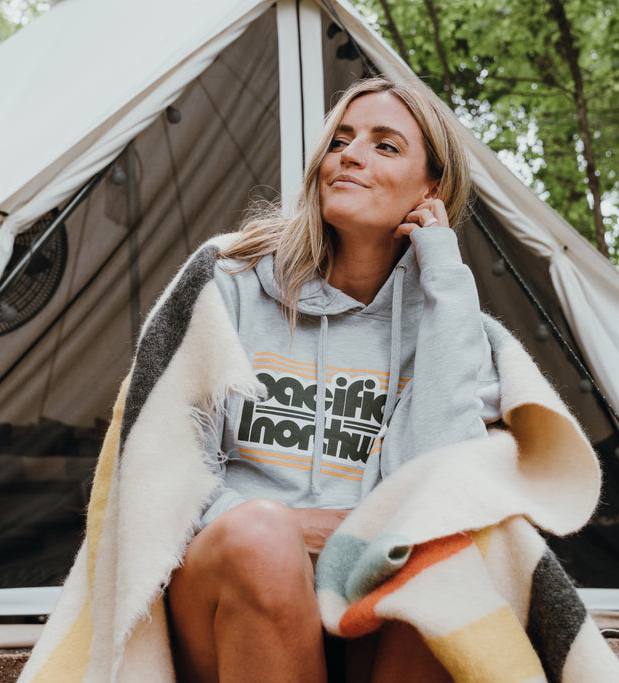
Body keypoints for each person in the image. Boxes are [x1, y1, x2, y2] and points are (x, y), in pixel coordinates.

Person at [166, 77, 501, 683]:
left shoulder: (447, 318)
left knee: (453, 557)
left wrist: (444, 274)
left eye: (385, 145)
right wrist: (300, 532)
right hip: (229, 589)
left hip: (373, 598)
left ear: (432, 189)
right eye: (340, 140)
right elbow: (167, 472)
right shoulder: (229, 284)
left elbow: (444, 480)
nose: (349, 155)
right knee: (262, 539)